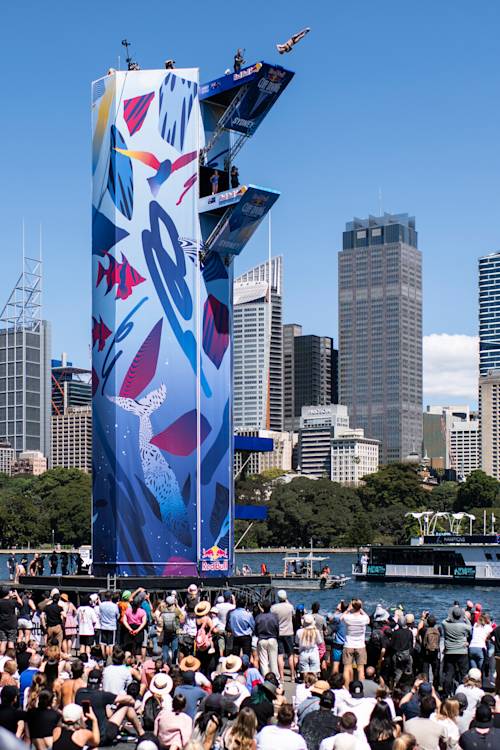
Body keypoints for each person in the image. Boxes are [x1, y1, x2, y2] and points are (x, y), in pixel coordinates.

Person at [75, 667, 144, 746]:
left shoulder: (79, 692)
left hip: (85, 736)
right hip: (102, 737)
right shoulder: (102, 695)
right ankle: (142, 733)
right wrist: (120, 705)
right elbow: (129, 699)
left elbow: (107, 713)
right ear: (101, 681)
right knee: (126, 705)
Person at [442, 606, 471, 696]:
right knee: (463, 673)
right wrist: (464, 616)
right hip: (462, 651)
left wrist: (451, 615)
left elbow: (444, 620)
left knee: (449, 673)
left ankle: (447, 693)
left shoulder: (446, 625)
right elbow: (470, 627)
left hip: (450, 652)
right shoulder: (463, 626)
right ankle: (463, 693)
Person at [340, 599, 370, 683]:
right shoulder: (363, 618)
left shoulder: (348, 617)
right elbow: (368, 619)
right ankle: (361, 689)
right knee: (361, 669)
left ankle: (346, 687)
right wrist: (361, 609)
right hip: (360, 645)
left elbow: (341, 618)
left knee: (346, 668)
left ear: (352, 607)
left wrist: (348, 610)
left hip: (348, 644)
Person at [271, 589, 296, 682]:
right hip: (289, 632)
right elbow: (293, 615)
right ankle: (292, 676)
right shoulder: (290, 607)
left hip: (279, 633)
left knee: (280, 655)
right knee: (290, 655)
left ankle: (281, 677)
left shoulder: (274, 608)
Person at [254, 599, 279, 680]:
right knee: (273, 661)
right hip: (272, 638)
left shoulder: (258, 617)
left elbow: (256, 630)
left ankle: (265, 678)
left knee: (263, 662)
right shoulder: (274, 616)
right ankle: (276, 679)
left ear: (262, 607)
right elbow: (277, 628)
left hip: (261, 639)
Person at [390, 616, 414, 688]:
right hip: (407, 654)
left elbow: (392, 645)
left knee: (397, 671)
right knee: (408, 671)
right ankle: (407, 686)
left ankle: (395, 687)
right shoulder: (409, 632)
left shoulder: (395, 633)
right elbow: (411, 644)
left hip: (397, 655)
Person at [0, 588, 22, 654]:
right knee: (11, 641)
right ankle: (10, 657)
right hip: (12, 624)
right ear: (8, 593)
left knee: (3, 641)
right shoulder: (12, 602)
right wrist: (17, 595)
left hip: (2, 624)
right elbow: (20, 604)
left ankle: (0, 657)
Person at [98, 591, 119, 659]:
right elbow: (117, 615)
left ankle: (104, 657)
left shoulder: (101, 605)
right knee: (110, 644)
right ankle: (109, 658)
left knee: (103, 643)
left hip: (103, 626)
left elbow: (100, 614)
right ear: (111, 597)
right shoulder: (115, 605)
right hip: (112, 627)